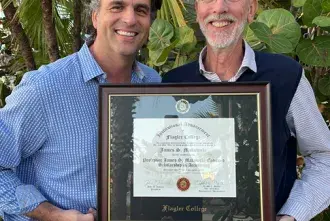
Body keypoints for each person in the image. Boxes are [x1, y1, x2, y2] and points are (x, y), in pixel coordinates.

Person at [162, 0, 330, 220]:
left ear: (251, 10)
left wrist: (292, 215)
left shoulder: (286, 76)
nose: (219, 7)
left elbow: (324, 156)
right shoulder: (171, 84)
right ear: (198, 11)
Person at [0, 0, 162, 220]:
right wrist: (54, 214)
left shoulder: (153, 83)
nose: (130, 19)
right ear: (95, 17)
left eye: (141, 10)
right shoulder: (44, 88)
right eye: (117, 6)